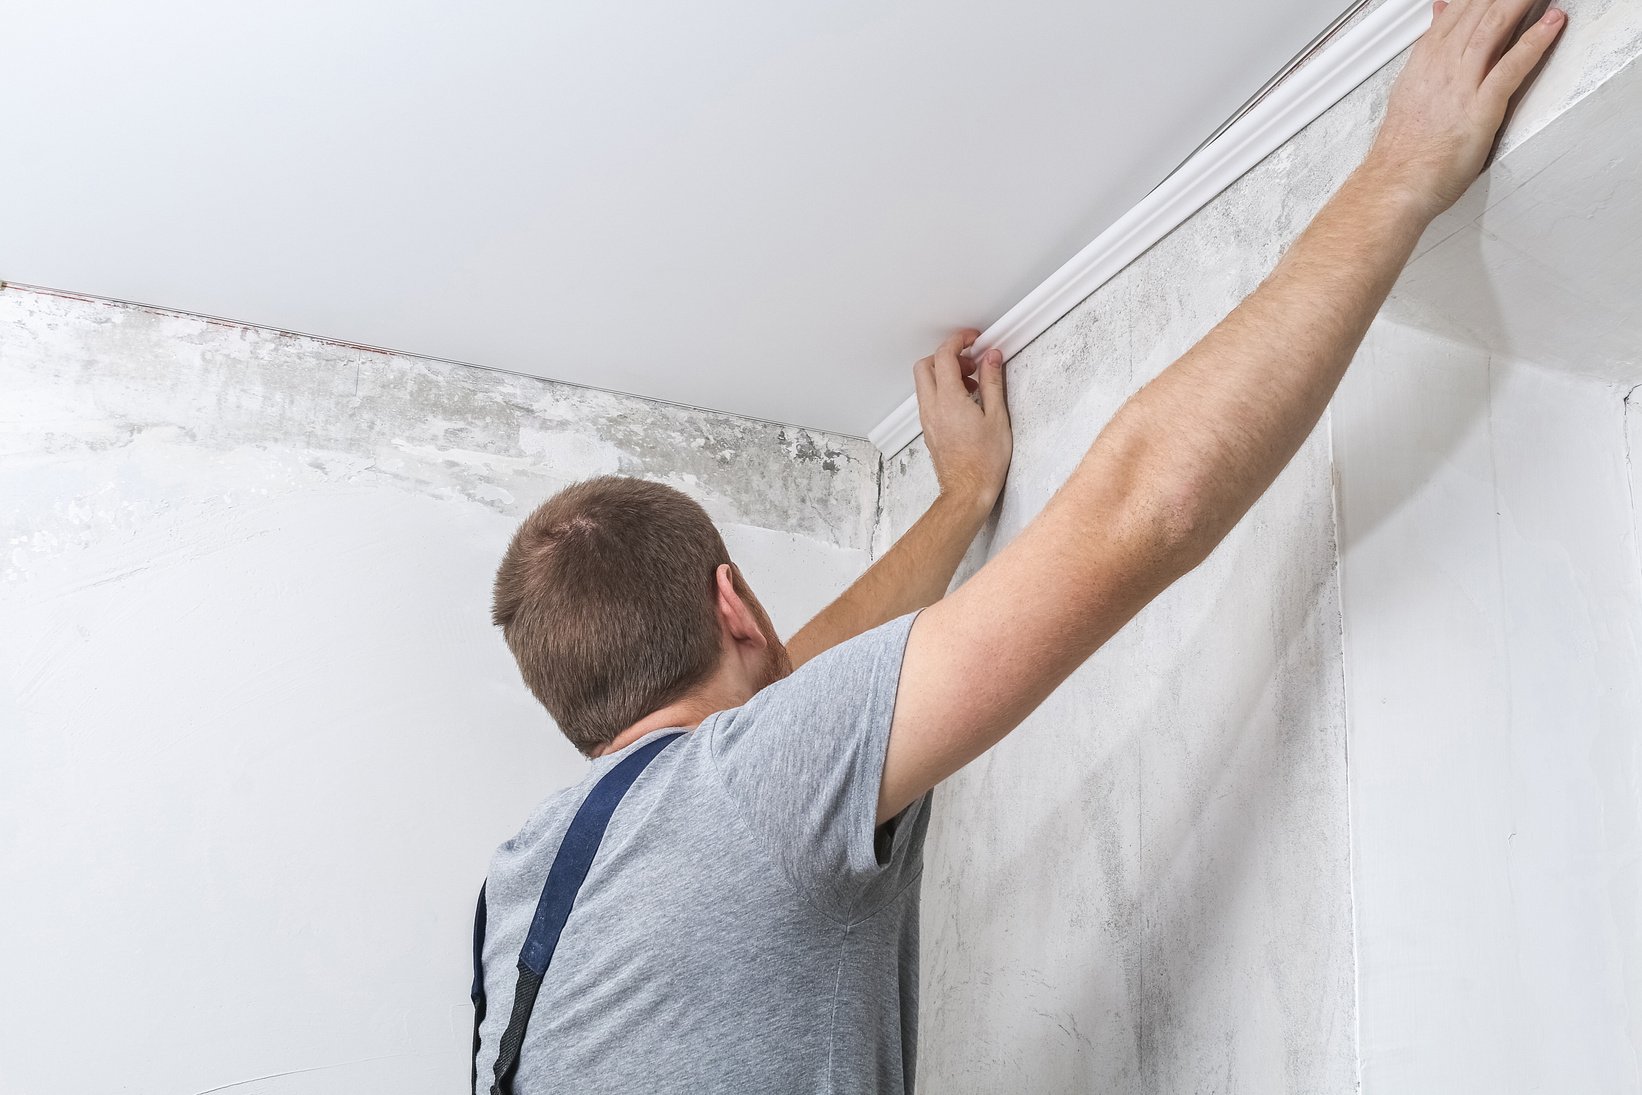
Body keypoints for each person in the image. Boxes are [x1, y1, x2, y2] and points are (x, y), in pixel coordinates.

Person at [471, 2, 1565, 1090]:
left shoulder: (523, 890)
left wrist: (959, 507)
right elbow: (1145, 507)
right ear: (732, 606)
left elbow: (776, 698)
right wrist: (1404, 167)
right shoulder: (752, 790)